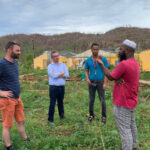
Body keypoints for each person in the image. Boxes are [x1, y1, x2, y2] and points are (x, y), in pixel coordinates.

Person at [97, 39, 140, 150]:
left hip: (122, 102)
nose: (118, 51)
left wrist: (101, 65)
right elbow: (125, 78)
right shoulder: (135, 64)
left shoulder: (124, 64)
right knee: (131, 126)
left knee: (125, 130)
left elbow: (111, 77)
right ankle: (133, 147)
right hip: (131, 100)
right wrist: (117, 79)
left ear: (127, 50)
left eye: (121, 49)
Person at [0, 41, 29, 150]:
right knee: (7, 125)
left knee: (21, 120)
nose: (19, 52)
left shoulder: (15, 63)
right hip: (7, 100)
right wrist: (1, 92)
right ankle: (9, 146)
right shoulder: (1, 64)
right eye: (17, 50)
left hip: (17, 98)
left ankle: (25, 139)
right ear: (9, 50)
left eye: (20, 50)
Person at [85, 43, 109, 123]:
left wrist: (105, 83)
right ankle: (91, 115)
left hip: (100, 82)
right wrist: (87, 78)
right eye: (94, 49)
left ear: (98, 50)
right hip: (91, 83)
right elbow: (86, 70)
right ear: (91, 50)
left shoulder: (103, 59)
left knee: (102, 100)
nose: (95, 51)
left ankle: (104, 117)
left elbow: (106, 72)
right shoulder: (88, 60)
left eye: (97, 49)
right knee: (91, 99)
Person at [47, 51, 69, 124]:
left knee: (61, 102)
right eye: (55, 56)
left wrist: (57, 74)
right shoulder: (50, 66)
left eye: (58, 56)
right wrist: (62, 74)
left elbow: (67, 74)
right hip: (53, 88)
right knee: (52, 103)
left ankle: (62, 116)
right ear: (52, 58)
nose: (57, 57)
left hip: (61, 87)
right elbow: (53, 76)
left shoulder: (63, 65)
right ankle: (50, 120)